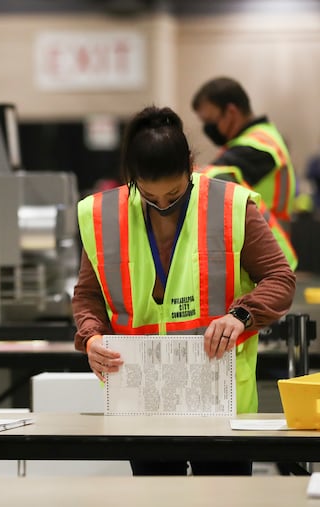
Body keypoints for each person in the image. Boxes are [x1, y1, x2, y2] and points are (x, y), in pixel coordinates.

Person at [72, 105, 296, 476]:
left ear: (191, 165)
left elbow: (279, 278)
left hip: (221, 403)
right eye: (149, 196)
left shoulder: (231, 205)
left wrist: (241, 315)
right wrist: (92, 337)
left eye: (174, 194)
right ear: (132, 178)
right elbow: (88, 294)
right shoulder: (102, 217)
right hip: (143, 400)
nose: (163, 206)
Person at [191, 77, 296, 231]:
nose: (208, 129)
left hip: (267, 245)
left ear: (231, 112)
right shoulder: (257, 138)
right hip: (265, 242)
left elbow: (207, 181)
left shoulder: (258, 146)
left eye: (210, 121)